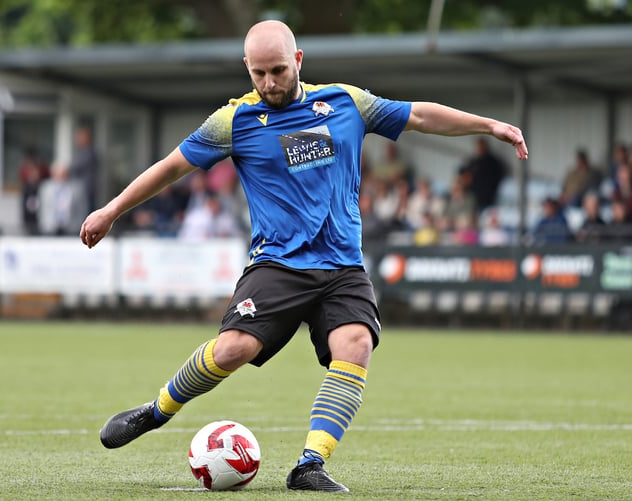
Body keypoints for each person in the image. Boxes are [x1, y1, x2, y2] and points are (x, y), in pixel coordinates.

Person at [79, 20, 528, 493]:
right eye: (258, 74)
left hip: (343, 266)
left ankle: (310, 464)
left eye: (277, 71)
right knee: (234, 348)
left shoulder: (344, 102)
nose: (269, 84)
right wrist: (111, 211)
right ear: (246, 69)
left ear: (297, 61)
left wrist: (490, 125)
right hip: (278, 264)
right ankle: (156, 412)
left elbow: (417, 115)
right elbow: (171, 167)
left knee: (356, 345)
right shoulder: (234, 120)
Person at [38, 162, 88, 236]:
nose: (61, 177)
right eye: (58, 174)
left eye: (63, 174)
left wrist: (79, 226)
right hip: (50, 228)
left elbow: (82, 208)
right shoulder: (46, 188)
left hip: (71, 229)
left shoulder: (76, 188)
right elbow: (42, 208)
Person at [68, 127, 100, 212]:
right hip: (80, 191)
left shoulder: (90, 153)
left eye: (80, 137)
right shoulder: (81, 152)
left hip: (86, 191)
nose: (77, 140)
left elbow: (74, 167)